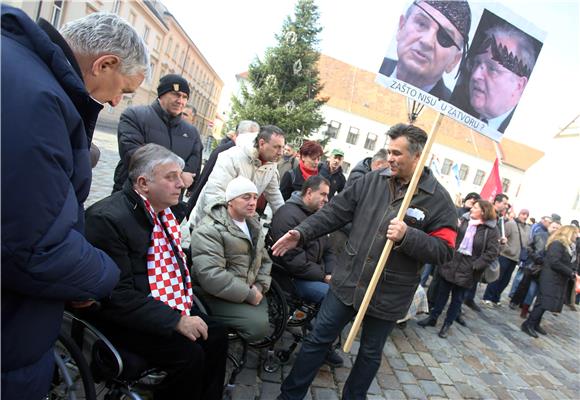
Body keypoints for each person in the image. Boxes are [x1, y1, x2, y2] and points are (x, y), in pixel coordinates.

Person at [1, 7, 148, 398]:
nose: (118, 101)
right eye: (124, 89)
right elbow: (33, 247)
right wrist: (102, 275)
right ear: (104, 63)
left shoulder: (22, 71)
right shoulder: (38, 97)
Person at [272, 123, 458, 399]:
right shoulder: (373, 180)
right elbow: (334, 213)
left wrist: (408, 236)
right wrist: (301, 233)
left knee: (370, 355)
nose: (390, 158)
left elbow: (444, 251)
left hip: (388, 293)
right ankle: (290, 395)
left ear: (418, 157)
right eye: (389, 151)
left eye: (397, 153)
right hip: (348, 280)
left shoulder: (439, 200)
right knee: (316, 340)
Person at [84, 144, 227, 399]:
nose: (181, 183)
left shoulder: (161, 213)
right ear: (143, 183)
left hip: (157, 300)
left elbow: (173, 264)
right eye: (170, 177)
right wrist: (176, 320)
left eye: (179, 175)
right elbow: (118, 295)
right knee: (189, 355)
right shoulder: (108, 219)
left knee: (216, 333)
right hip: (121, 313)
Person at [190, 177, 272, 342]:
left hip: (246, 287)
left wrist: (259, 286)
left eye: (255, 197)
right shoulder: (209, 230)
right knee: (259, 327)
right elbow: (211, 275)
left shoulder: (252, 224)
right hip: (212, 294)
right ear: (230, 201)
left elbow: (264, 260)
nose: (252, 202)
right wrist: (249, 294)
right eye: (245, 197)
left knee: (265, 316)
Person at [112, 74, 203, 205]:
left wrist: (182, 178)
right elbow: (134, 155)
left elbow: (194, 166)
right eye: (175, 94)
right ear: (161, 94)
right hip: (133, 199)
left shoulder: (192, 132)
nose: (180, 101)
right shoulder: (135, 116)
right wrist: (178, 176)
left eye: (184, 97)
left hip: (168, 206)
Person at [418, 200, 499, 338]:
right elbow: (452, 237)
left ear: (483, 212)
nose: (471, 209)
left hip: (469, 270)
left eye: (475, 207)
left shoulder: (491, 230)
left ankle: (447, 324)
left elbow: (492, 252)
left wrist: (476, 265)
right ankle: (433, 318)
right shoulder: (464, 220)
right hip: (451, 263)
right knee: (441, 294)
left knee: (457, 299)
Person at [188, 125, 285, 227]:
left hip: (236, 225)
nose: (281, 152)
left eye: (282, 147)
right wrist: (226, 225)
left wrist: (286, 219)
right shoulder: (232, 156)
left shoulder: (271, 164)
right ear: (261, 143)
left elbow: (274, 195)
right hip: (208, 224)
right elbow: (215, 193)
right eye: (276, 147)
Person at [450, 23, 538, 132]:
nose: (476, 75)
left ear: (519, 86)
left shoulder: (525, 131)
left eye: (492, 69)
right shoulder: (455, 104)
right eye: (477, 63)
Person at [379, 0, 472, 101]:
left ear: (454, 61)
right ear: (401, 27)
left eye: (445, 37)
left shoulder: (449, 114)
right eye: (421, 24)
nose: (427, 41)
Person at [186, 120, 260, 213]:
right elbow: (206, 180)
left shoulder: (252, 155)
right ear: (238, 135)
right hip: (213, 210)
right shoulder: (226, 151)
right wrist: (192, 203)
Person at [521, 225, 579, 338]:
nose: (576, 236)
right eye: (575, 233)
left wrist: (573, 271)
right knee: (542, 302)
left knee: (546, 302)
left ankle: (535, 323)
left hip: (558, 278)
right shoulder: (557, 244)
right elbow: (554, 262)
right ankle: (528, 324)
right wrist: (570, 272)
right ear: (568, 233)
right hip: (550, 277)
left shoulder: (568, 246)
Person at [463, 192, 509, 312]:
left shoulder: (500, 217)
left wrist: (500, 241)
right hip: (475, 251)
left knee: (476, 277)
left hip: (486, 251)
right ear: (497, 202)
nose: (506, 206)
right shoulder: (487, 213)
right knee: (466, 280)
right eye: (504, 203)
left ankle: (468, 299)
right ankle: (461, 302)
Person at [511, 220, 561, 318]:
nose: (555, 229)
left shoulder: (557, 241)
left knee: (533, 290)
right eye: (554, 227)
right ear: (549, 226)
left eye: (558, 228)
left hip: (544, 268)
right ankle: (514, 301)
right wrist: (535, 257)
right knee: (523, 285)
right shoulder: (540, 235)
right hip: (532, 264)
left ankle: (525, 307)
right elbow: (529, 247)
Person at [482, 208, 531, 306]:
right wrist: (506, 248)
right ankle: (487, 297)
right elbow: (501, 237)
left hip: (515, 258)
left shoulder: (528, 228)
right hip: (505, 256)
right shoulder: (511, 224)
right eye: (523, 214)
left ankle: (496, 297)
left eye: (527, 215)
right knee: (497, 278)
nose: (525, 216)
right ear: (519, 214)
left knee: (505, 280)